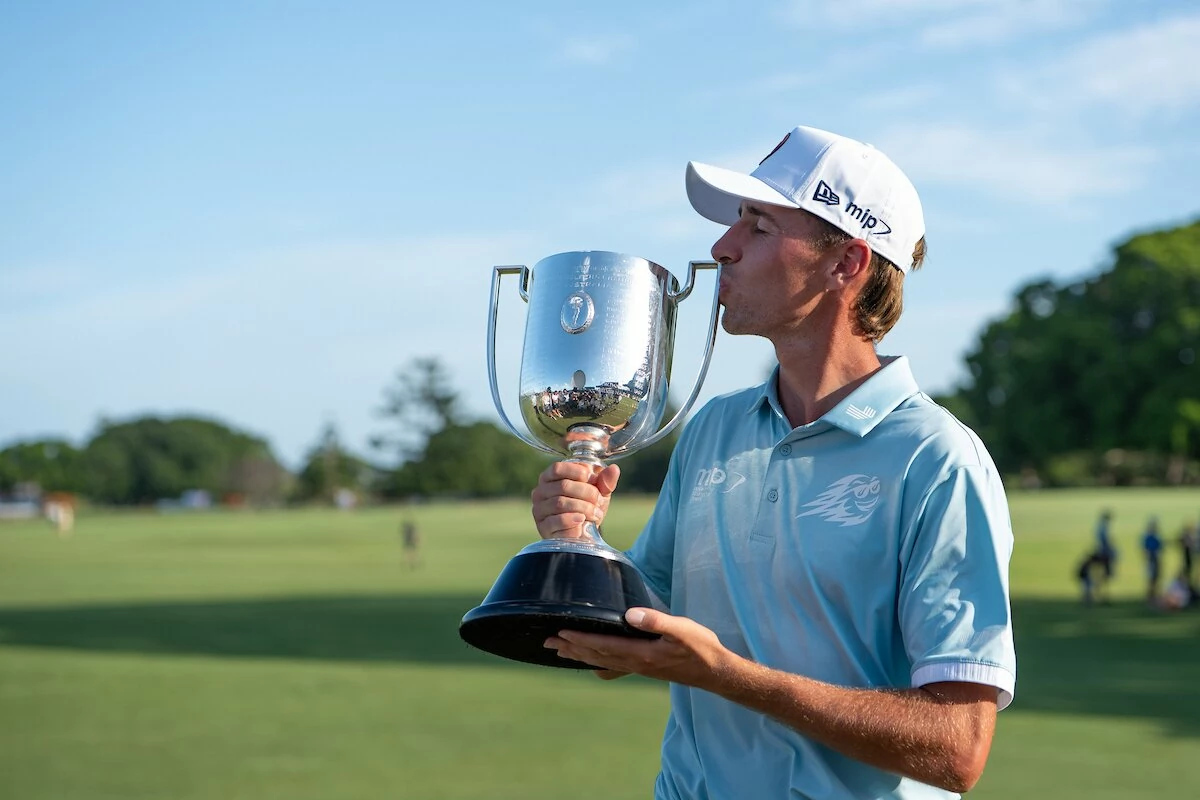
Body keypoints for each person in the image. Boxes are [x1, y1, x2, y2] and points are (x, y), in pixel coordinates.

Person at [532, 125, 1016, 798]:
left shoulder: (935, 459)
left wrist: (725, 674)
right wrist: (578, 543)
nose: (722, 247)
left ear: (845, 263)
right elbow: (623, 652)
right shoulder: (713, 431)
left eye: (759, 227)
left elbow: (956, 749)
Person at [1140, 516, 1163, 603]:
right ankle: (1150, 597)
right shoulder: (1149, 537)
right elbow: (1146, 550)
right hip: (1151, 560)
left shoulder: (1154, 536)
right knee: (1151, 579)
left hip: (1155, 559)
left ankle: (1154, 596)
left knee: (1155, 578)